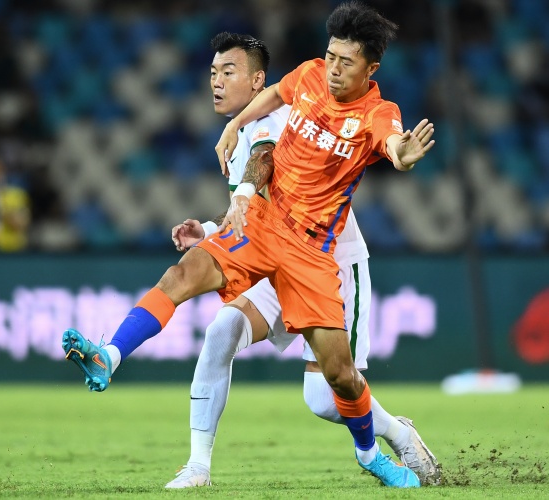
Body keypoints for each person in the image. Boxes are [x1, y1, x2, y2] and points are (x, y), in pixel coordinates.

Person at [63, 1, 434, 488]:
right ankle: (121, 371)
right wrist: (229, 147)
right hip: (265, 230)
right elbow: (279, 95)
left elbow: (280, 158)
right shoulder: (305, 80)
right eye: (330, 56)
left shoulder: (372, 113)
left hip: (324, 256)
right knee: (201, 300)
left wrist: (403, 154)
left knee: (332, 391)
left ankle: (384, 442)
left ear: (371, 68)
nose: (333, 68)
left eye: (346, 62)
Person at [162, 32, 439, 489]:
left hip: (329, 262)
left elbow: (387, 137)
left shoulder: (284, 125)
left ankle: (396, 432)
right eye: (213, 73)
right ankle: (197, 467)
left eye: (228, 72)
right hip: (276, 257)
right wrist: (212, 229)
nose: (217, 82)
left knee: (324, 398)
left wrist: (399, 154)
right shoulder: (293, 93)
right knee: (221, 330)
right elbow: (257, 207)